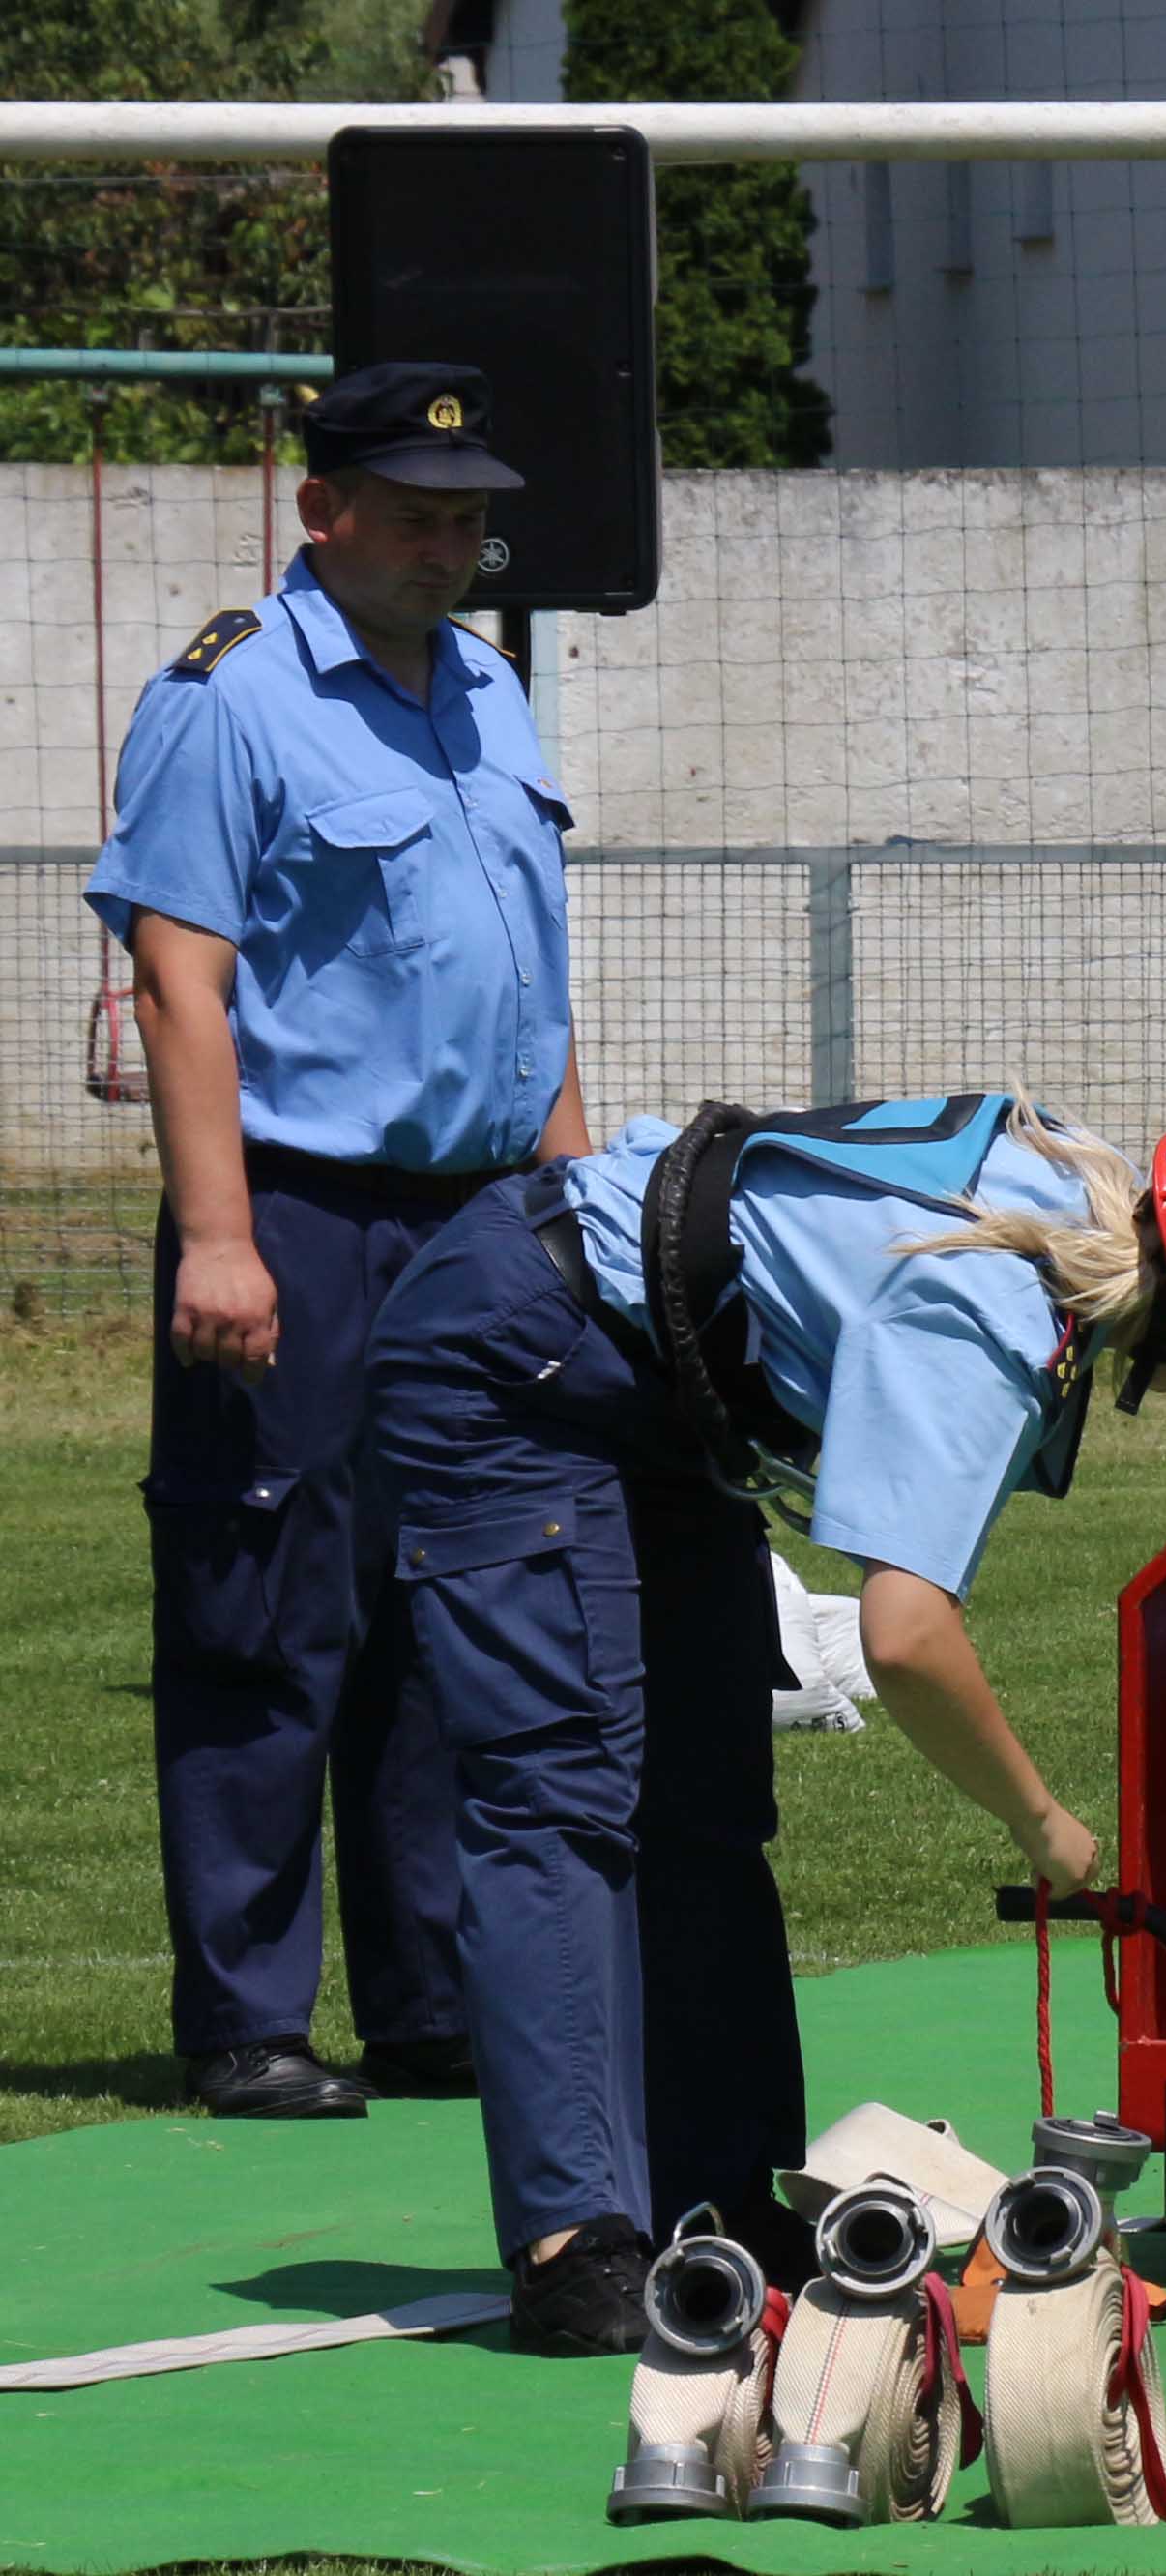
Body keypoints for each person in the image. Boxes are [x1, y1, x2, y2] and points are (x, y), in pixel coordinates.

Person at [363, 1093, 1166, 2353]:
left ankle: (718, 2202)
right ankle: (575, 2246)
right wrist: (1041, 1817)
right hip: (510, 1362)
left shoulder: (1067, 1194)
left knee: (707, 1805)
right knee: (562, 1799)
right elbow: (904, 1637)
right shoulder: (991, 1315)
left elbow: (1162, 1290)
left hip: (638, 1381)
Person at [82, 362, 580, 2122]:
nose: (453, 547)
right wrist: (220, 1234)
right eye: (419, 515)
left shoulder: (494, 694)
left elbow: (530, 973)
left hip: (475, 1207)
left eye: (470, 519)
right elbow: (179, 978)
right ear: (324, 512)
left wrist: (571, 1201)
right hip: (294, 1206)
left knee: (448, 1605)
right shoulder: (230, 703)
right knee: (263, 1601)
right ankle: (245, 2014)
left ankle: (431, 2000)